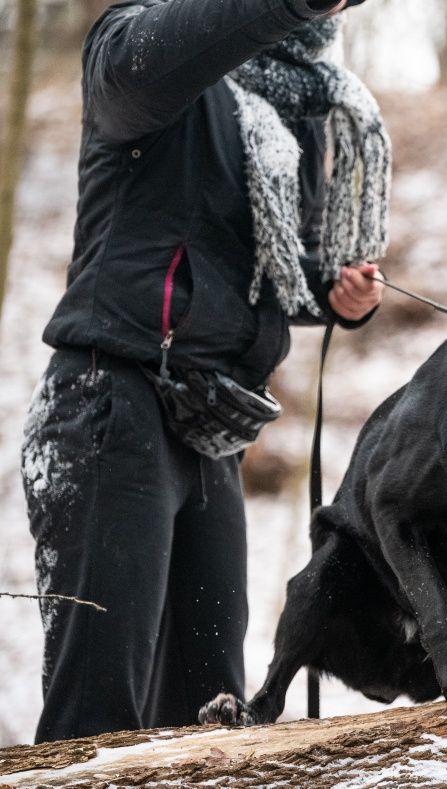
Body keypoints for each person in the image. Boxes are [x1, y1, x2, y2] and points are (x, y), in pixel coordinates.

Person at [20, 0, 386, 743]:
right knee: (95, 730)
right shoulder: (135, 51)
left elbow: (269, 270)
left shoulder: (293, 110)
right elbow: (188, 44)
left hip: (214, 425)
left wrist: (337, 295)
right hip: (108, 403)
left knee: (209, 721)